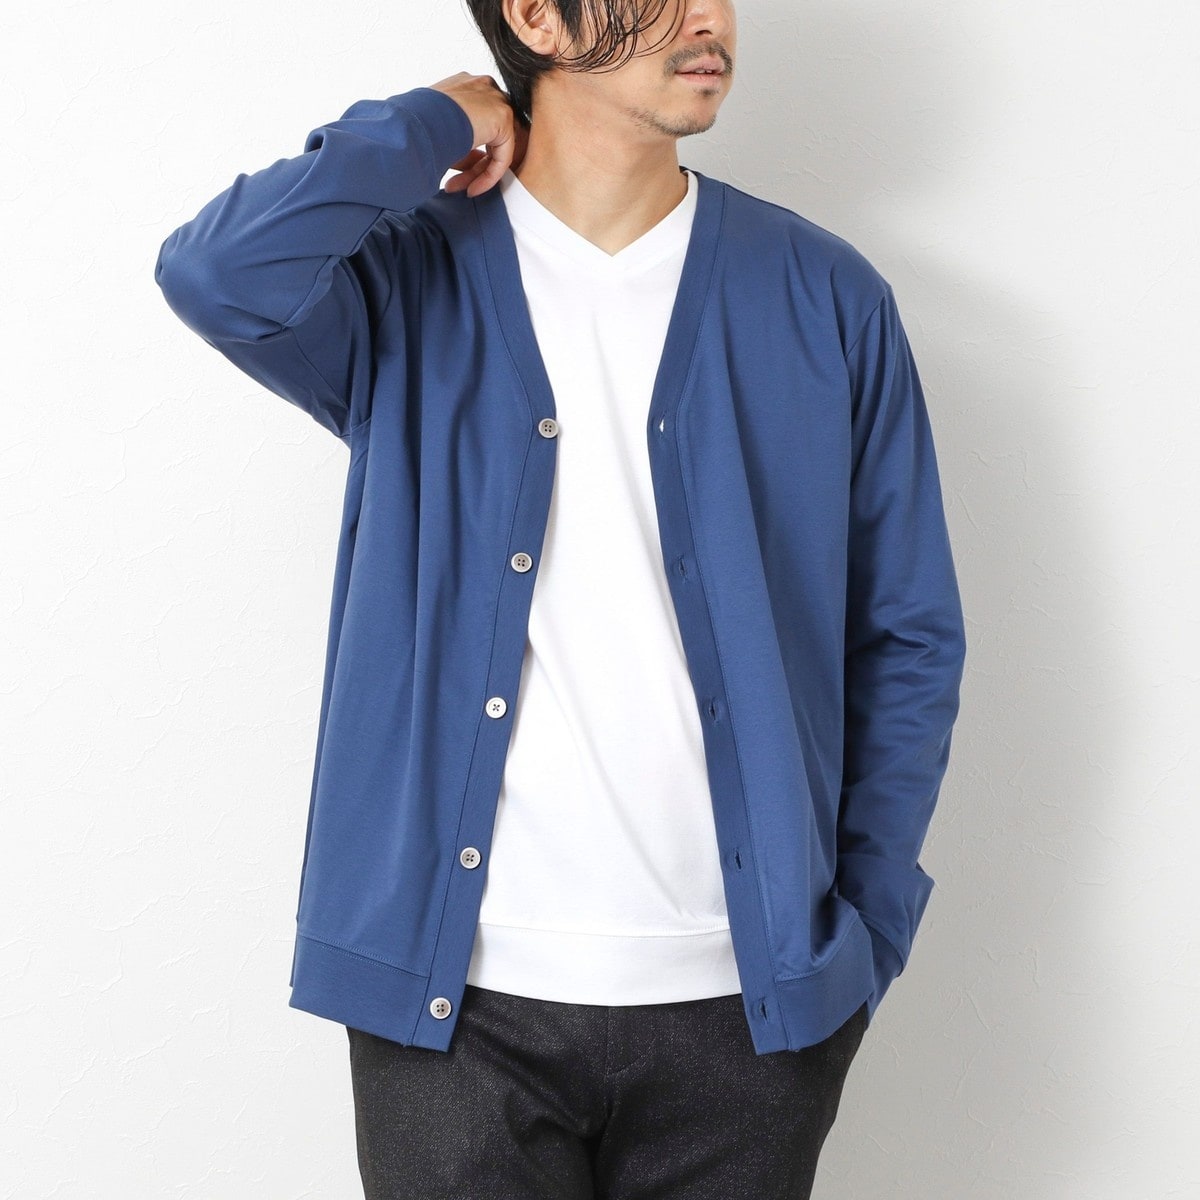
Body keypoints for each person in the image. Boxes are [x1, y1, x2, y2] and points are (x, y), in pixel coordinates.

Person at [153, 0, 967, 1195]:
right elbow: (216, 272)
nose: (710, 19)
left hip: (744, 1011)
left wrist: (868, 926)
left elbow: (907, 636)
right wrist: (430, 122)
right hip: (455, 1007)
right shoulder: (407, 282)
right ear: (534, 15)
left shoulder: (824, 295)